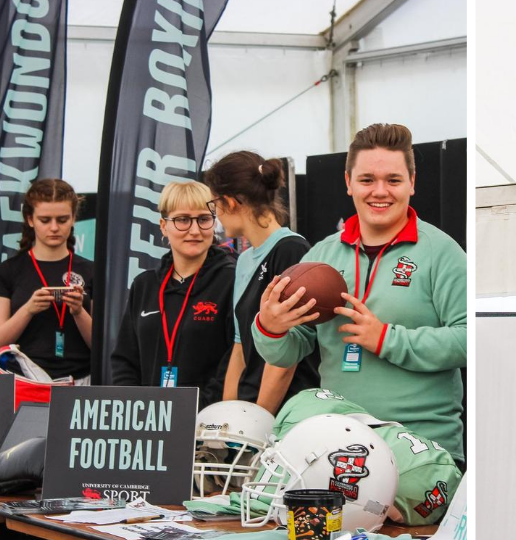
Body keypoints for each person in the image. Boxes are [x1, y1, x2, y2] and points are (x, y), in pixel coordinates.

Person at [255, 123, 468, 462]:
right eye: (367, 179)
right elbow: (288, 351)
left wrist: (386, 339)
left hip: (418, 447)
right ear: (348, 182)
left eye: (393, 180)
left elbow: (470, 340)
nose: (379, 191)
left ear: (412, 184)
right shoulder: (321, 256)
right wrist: (271, 326)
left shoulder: (442, 253)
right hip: (336, 443)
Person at [206, 151, 318, 413]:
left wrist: (258, 423)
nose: (216, 216)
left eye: (214, 205)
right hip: (249, 411)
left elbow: (285, 360)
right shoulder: (244, 260)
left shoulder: (292, 250)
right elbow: (239, 347)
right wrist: (226, 421)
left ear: (231, 202)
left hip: (285, 417)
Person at [112, 181, 234, 404]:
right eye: (183, 220)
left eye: (204, 219)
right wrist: (133, 408)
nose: (194, 230)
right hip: (148, 421)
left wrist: (195, 411)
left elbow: (234, 361)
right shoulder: (144, 284)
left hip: (207, 422)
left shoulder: (231, 281)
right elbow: (124, 360)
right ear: (163, 226)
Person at [0, 179, 94, 382]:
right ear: (30, 219)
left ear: (73, 218)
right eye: (45, 220)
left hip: (80, 380)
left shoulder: (91, 271)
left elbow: (102, 344)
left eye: (62, 220)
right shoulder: (9, 270)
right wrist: (28, 309)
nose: (54, 228)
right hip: (24, 380)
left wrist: (79, 311)